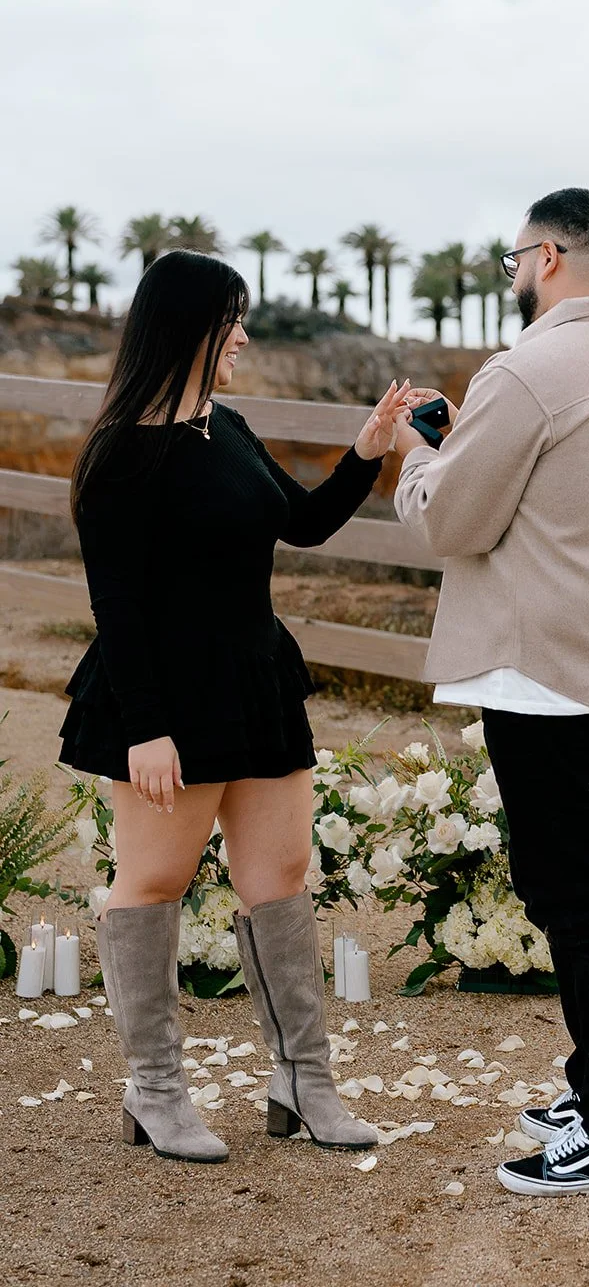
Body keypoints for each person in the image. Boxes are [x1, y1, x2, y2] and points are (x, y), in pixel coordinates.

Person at [61, 249, 411, 1163]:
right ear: (189, 328)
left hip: (256, 682)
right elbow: (118, 608)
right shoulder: (120, 455)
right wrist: (145, 727)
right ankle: (156, 1092)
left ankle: (303, 1082)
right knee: (152, 884)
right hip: (164, 699)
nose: (245, 338)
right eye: (233, 322)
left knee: (279, 879)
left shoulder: (231, 427)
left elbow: (299, 525)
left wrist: (366, 453)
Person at [393, 188, 589, 1195]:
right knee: (584, 891)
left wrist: (418, 456)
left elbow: (449, 524)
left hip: (548, 678)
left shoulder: (527, 372)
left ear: (551, 256)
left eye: (518, 255)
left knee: (582, 902)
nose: (512, 272)